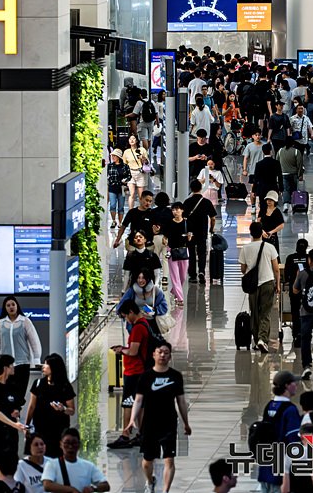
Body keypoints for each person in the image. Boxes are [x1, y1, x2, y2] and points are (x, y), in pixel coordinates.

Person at [127, 342, 191, 493]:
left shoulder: (175, 376)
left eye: (166, 353)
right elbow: (138, 400)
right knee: (147, 461)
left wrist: (186, 423)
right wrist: (132, 420)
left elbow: (181, 401)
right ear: (153, 355)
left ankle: (165, 490)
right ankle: (150, 481)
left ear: (170, 356)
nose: (162, 355)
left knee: (169, 459)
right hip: (150, 423)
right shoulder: (146, 377)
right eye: (160, 352)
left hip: (169, 422)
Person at [108, 300, 159, 450]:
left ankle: (125, 435)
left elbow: (133, 351)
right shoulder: (145, 323)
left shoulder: (138, 328)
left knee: (127, 404)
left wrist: (121, 350)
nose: (126, 319)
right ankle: (142, 435)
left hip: (134, 372)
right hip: (141, 371)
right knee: (140, 404)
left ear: (131, 312)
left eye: (125, 316)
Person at [0, 295, 42, 400]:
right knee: (7, 395)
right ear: (5, 308)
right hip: (6, 366)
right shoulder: (1, 324)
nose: (11, 307)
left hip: (22, 364)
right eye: (8, 305)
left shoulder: (25, 321)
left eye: (13, 304)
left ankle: (17, 410)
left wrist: (36, 359)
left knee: (19, 395)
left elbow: (34, 341)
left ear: (17, 306)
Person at [0, 354, 30, 481]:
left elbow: (16, 405)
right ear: (5, 368)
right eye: (11, 365)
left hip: (11, 433)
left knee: (12, 462)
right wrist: (14, 424)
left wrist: (16, 411)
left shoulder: (12, 386)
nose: (13, 367)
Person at [239, 222, 281, 354]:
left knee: (255, 313)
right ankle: (263, 339)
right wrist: (278, 284)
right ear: (261, 232)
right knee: (265, 313)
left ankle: (257, 341)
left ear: (251, 233)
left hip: (253, 285)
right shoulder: (270, 247)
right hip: (267, 283)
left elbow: (243, 269)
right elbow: (276, 269)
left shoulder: (245, 248)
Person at [257, 371, 303, 492]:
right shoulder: (290, 410)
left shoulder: (269, 406)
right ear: (286, 386)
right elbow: (294, 442)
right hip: (281, 473)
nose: (296, 385)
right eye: (294, 383)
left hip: (265, 469)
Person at [26, 353, 76, 459]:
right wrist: (27, 426)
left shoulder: (65, 386)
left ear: (54, 367)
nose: (43, 367)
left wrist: (63, 409)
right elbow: (31, 406)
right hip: (40, 429)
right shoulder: (38, 383)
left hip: (58, 430)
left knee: (57, 458)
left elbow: (71, 410)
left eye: (46, 364)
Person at [42, 427, 110, 493]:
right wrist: (71, 489)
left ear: (79, 444)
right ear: (61, 444)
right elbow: (47, 485)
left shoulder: (88, 466)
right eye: (67, 443)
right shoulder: (52, 464)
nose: (70, 446)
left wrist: (93, 488)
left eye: (74, 443)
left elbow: (106, 485)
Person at [293, 249, 313, 380]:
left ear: (309, 260)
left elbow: (295, 290)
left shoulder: (303, 273)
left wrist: (298, 277)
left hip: (306, 312)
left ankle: (307, 366)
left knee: (305, 339)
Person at [184, 179, 217, 285]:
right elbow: (213, 218)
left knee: (191, 252)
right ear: (201, 188)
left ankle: (192, 275)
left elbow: (183, 217)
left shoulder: (187, 202)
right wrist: (211, 229)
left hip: (190, 232)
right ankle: (202, 271)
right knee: (202, 252)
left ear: (191, 189)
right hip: (202, 231)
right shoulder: (206, 202)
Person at [284, 239, 309, 348]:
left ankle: (296, 334)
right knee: (307, 312)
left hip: (294, 289)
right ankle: (306, 334)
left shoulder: (290, 258)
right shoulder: (309, 258)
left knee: (295, 312)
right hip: (307, 290)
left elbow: (286, 275)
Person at [165, 202, 192, 305]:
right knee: (175, 275)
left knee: (183, 276)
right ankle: (180, 298)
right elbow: (165, 236)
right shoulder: (169, 223)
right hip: (172, 250)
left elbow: (190, 236)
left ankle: (174, 290)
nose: (175, 212)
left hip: (183, 250)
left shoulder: (186, 222)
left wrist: (189, 237)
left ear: (182, 210)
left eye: (177, 209)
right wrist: (164, 240)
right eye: (173, 210)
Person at [276, 136, 304, 213]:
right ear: (293, 143)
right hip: (294, 174)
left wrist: (278, 174)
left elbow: (277, 162)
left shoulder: (280, 151)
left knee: (286, 190)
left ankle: (286, 204)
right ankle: (293, 205)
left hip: (283, 174)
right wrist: (300, 174)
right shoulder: (296, 152)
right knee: (294, 190)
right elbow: (300, 165)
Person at [253, 145, 283, 214]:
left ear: (263, 152)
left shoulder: (259, 164)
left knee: (263, 207)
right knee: (272, 207)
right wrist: (281, 188)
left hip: (262, 188)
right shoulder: (276, 163)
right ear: (271, 151)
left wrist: (254, 190)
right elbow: (280, 176)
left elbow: (256, 178)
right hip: (273, 188)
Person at [123, 134, 151, 209]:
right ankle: (131, 211)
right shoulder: (126, 152)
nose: (132, 140)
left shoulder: (142, 150)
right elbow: (124, 164)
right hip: (131, 173)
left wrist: (143, 158)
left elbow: (147, 162)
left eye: (133, 139)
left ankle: (141, 210)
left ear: (137, 140)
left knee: (141, 195)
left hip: (140, 172)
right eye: (130, 139)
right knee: (131, 194)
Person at [242, 126, 265, 212]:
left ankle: (261, 204)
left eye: (259, 135)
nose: (258, 136)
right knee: (253, 189)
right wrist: (244, 169)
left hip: (263, 172)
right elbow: (245, 158)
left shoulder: (264, 146)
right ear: (252, 136)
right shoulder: (249, 146)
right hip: (253, 171)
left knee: (262, 189)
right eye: (256, 135)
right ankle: (253, 206)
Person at [107, 149, 131, 229]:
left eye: (114, 156)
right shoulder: (110, 166)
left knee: (121, 207)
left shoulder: (125, 166)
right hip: (112, 187)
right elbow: (107, 176)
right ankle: (114, 220)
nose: (113, 157)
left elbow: (129, 176)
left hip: (122, 188)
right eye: (112, 156)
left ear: (118, 157)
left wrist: (125, 180)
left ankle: (120, 222)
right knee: (112, 205)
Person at [257, 190, 285, 256]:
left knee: (273, 255)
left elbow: (281, 225)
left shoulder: (277, 212)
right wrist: (262, 231)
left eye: (271, 200)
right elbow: (258, 222)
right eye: (268, 200)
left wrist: (271, 232)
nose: (269, 201)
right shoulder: (263, 210)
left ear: (275, 201)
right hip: (262, 236)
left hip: (273, 237)